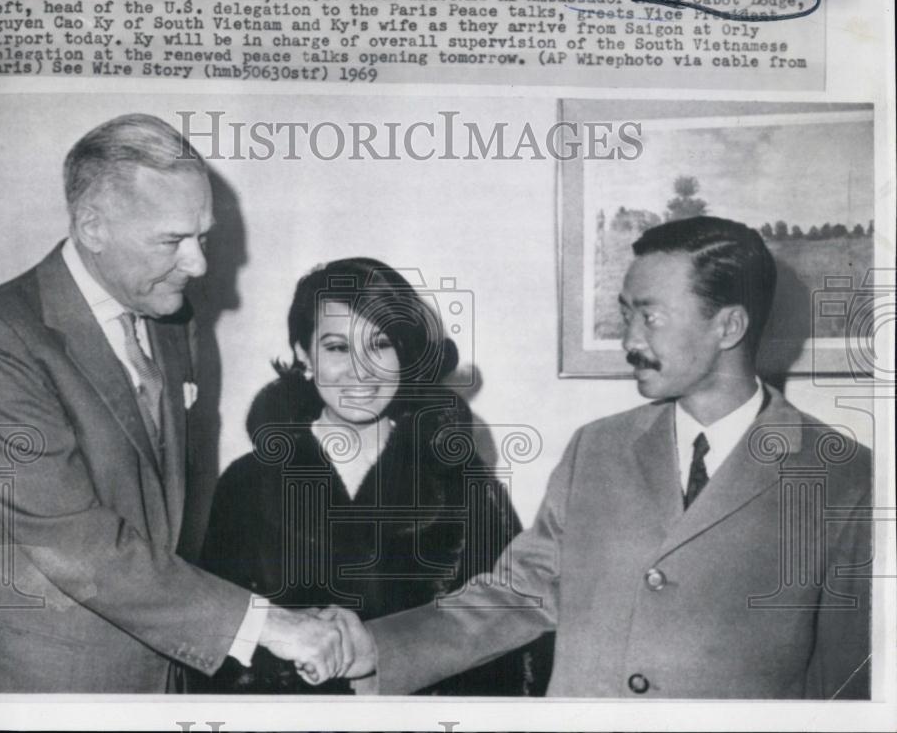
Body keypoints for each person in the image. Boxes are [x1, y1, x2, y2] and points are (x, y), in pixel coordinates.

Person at [335, 216, 873, 699]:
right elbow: (517, 594)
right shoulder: (595, 449)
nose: (629, 339)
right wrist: (374, 649)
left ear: (728, 326)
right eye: (623, 315)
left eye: (650, 316)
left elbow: (846, 682)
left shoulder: (847, 478)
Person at [0, 114, 353, 693]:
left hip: (162, 670)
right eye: (172, 240)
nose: (199, 264)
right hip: (41, 679)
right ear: (92, 227)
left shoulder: (170, 315)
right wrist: (265, 624)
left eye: (202, 235)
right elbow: (69, 536)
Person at [190, 257, 552, 695]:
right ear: (304, 354)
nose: (361, 370)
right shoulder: (246, 486)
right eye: (338, 348)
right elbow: (214, 642)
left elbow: (514, 641)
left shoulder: (463, 480)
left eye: (380, 344)